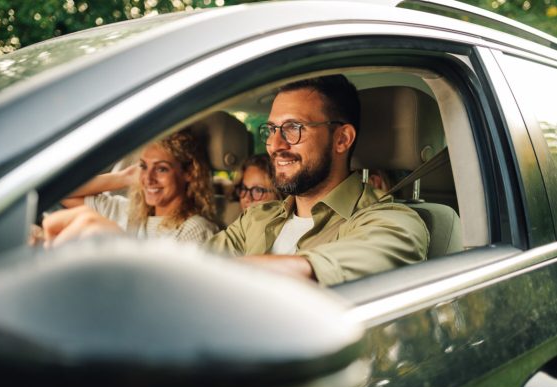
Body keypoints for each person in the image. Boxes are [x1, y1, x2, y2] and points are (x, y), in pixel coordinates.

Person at [44, 75, 429, 286]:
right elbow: (192, 265)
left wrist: (133, 258)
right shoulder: (257, 218)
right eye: (272, 129)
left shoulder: (394, 222)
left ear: (342, 138)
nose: (276, 144)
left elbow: (307, 272)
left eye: (293, 129)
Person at [59, 130, 218, 244]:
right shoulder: (127, 212)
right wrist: (124, 177)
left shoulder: (196, 230)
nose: (148, 179)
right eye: (144, 166)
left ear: (189, 172)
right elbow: (63, 193)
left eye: (161, 168)